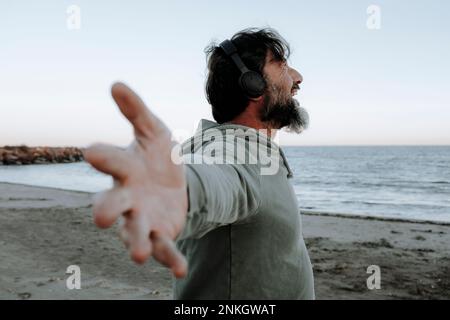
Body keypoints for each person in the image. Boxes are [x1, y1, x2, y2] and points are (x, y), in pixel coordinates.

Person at [83, 28, 315, 299]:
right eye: (283, 66)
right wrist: (181, 191)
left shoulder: (236, 147)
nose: (297, 78)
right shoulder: (237, 151)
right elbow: (218, 179)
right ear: (253, 84)